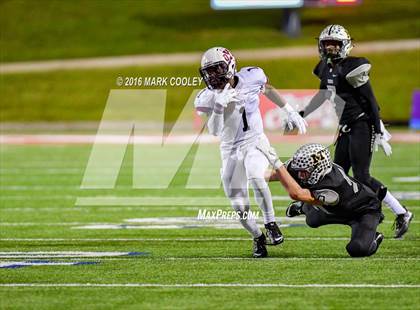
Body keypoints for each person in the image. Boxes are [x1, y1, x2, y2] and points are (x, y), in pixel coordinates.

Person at [298, 24, 412, 238]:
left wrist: (378, 130)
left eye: (335, 45)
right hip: (345, 127)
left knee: (362, 176)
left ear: (345, 46)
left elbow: (371, 101)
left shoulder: (353, 67)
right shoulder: (323, 68)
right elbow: (323, 94)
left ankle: (402, 212)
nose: (331, 49)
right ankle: (363, 210)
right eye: (327, 45)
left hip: (361, 125)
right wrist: (302, 113)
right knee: (336, 174)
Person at [194, 46, 307, 257]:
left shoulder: (252, 76)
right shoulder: (207, 97)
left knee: (256, 174)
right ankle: (258, 236)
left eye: (217, 69)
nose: (212, 76)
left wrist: (290, 111)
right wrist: (219, 107)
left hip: (254, 140)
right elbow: (214, 132)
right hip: (229, 150)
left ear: (230, 65)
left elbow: (267, 88)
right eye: (208, 72)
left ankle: (271, 223)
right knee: (239, 207)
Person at [258, 143, 384, 257]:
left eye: (304, 172)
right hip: (336, 209)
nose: (299, 175)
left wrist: (276, 161)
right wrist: (250, 177)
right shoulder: (306, 166)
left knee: (357, 250)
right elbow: (275, 175)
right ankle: (303, 207)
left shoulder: (334, 185)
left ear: (318, 170)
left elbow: (296, 194)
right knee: (312, 220)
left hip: (364, 210)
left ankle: (374, 236)